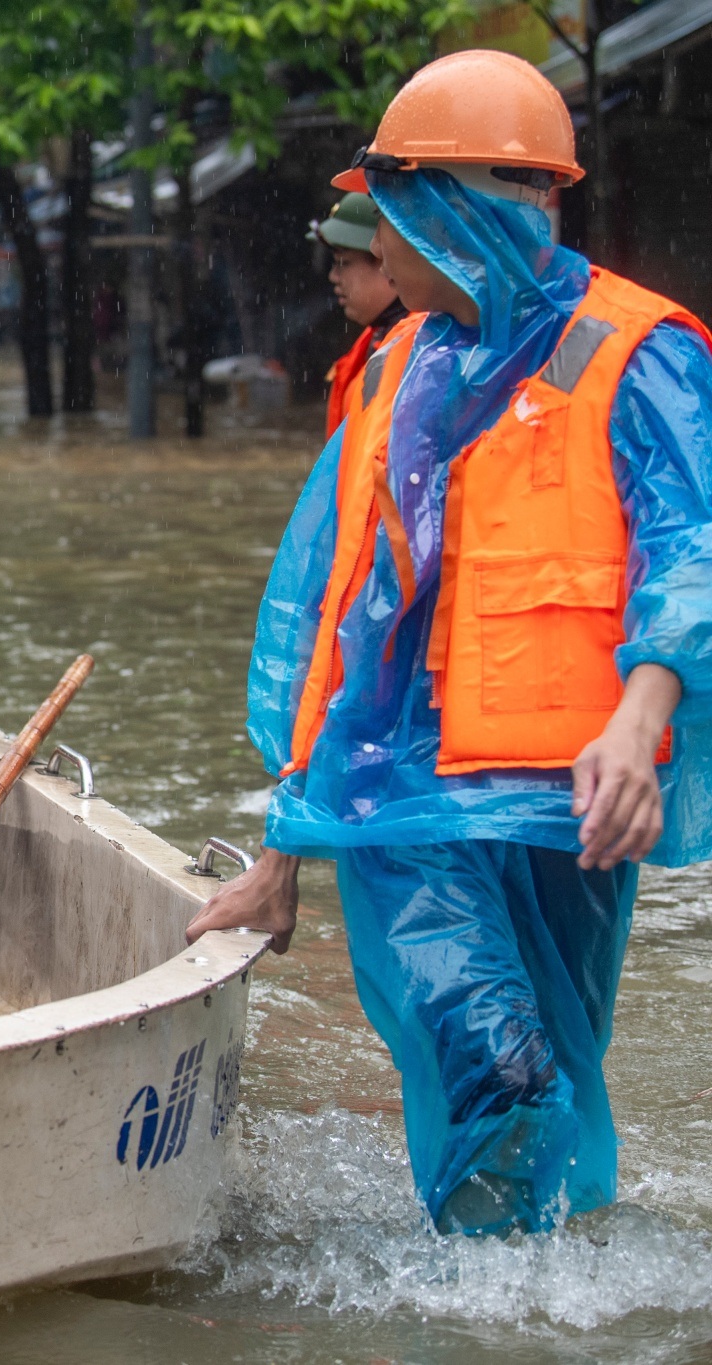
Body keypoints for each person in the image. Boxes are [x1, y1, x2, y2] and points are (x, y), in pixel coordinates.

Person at [187, 51, 712, 1237]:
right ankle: (480, 1311)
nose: (365, 243)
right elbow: (338, 611)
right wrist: (285, 841)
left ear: (452, 212)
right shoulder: (400, 366)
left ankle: (552, 1279)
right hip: (395, 794)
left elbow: (691, 547)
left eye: (389, 210)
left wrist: (639, 723)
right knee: (496, 1061)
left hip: (568, 786)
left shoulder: (638, 352)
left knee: (562, 1067)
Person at [312, 192, 409, 437]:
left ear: (384, 260)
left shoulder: (415, 348)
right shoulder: (381, 337)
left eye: (343, 263)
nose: (334, 276)